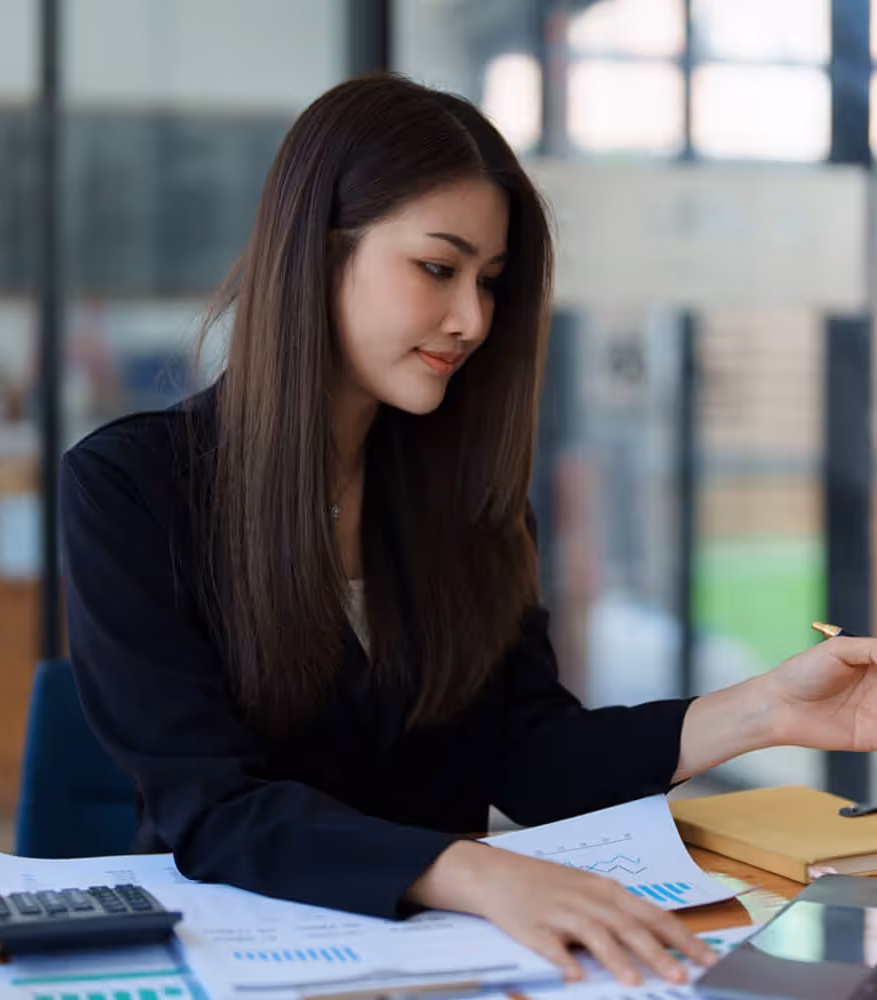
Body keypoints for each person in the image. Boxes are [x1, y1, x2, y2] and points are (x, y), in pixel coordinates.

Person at [59, 74, 877, 989]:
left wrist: (768, 710)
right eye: (438, 269)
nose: (474, 320)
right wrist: (479, 873)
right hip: (238, 962)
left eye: (490, 282)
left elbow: (531, 760)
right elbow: (210, 809)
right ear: (317, 254)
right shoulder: (131, 489)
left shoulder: (465, 500)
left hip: (453, 970)